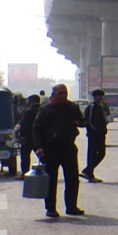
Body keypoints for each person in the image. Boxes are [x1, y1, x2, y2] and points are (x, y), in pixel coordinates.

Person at [32, 84, 86, 219]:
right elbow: (37, 128)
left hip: (68, 147)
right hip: (50, 149)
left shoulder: (72, 107)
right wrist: (39, 146)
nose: (63, 96)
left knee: (73, 178)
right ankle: (51, 208)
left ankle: (71, 207)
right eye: (60, 93)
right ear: (54, 94)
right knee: (51, 180)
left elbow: (80, 121)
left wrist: (84, 122)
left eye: (65, 93)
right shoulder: (46, 109)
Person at [82, 88, 110, 181]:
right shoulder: (91, 107)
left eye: (101, 95)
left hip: (101, 134)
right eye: (98, 95)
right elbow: (88, 121)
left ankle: (88, 170)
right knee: (92, 154)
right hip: (93, 134)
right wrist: (95, 130)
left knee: (102, 153)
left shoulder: (101, 107)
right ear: (94, 97)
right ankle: (90, 174)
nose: (100, 97)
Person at [16, 93, 40, 177]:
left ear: (31, 101)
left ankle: (24, 173)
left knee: (25, 156)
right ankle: (46, 172)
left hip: (27, 137)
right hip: (39, 137)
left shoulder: (28, 111)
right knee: (41, 155)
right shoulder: (42, 109)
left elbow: (24, 124)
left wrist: (22, 135)